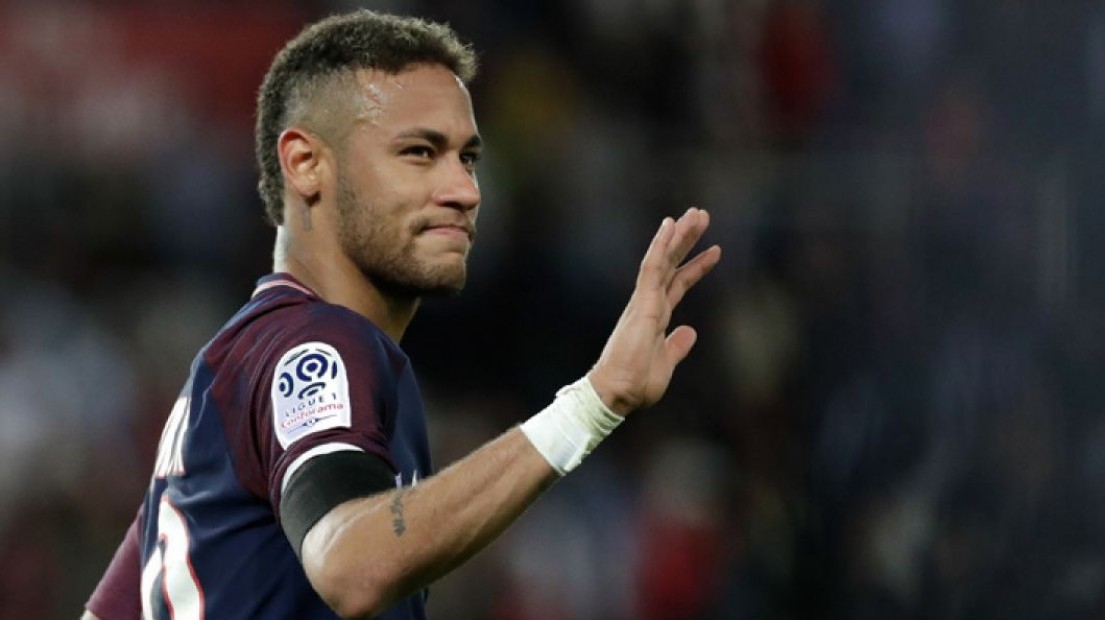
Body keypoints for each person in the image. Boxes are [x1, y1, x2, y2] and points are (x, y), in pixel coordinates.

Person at [82, 9, 721, 620]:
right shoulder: (319, 343)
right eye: (419, 152)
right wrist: (593, 402)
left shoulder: (223, 377)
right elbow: (352, 567)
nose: (465, 191)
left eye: (467, 158)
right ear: (305, 164)